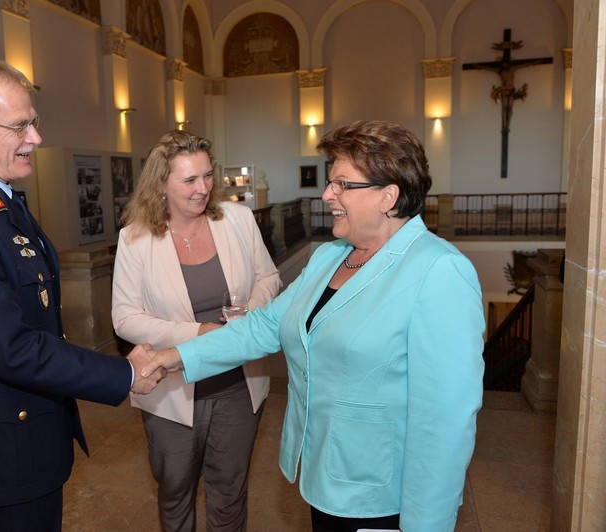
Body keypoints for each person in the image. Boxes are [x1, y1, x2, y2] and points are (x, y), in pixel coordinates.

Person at [142, 121, 486, 532]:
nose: (327, 195)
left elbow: (444, 428)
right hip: (324, 477)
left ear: (388, 196)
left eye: (342, 185)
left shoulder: (439, 271)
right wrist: (174, 356)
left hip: (381, 500)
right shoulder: (329, 257)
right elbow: (264, 325)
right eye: (329, 183)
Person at [0, 58, 162, 532]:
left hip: (32, 432)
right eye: (20, 125)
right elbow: (11, 347)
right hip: (5, 447)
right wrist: (124, 371)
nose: (36, 138)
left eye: (34, 122)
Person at [111, 130, 281, 531]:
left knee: (229, 491)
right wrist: (199, 332)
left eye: (207, 176)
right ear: (161, 184)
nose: (203, 188)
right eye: (189, 180)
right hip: (172, 387)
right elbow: (124, 317)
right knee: (174, 491)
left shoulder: (237, 219)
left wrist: (245, 320)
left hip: (238, 383)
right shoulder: (135, 239)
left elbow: (268, 277)